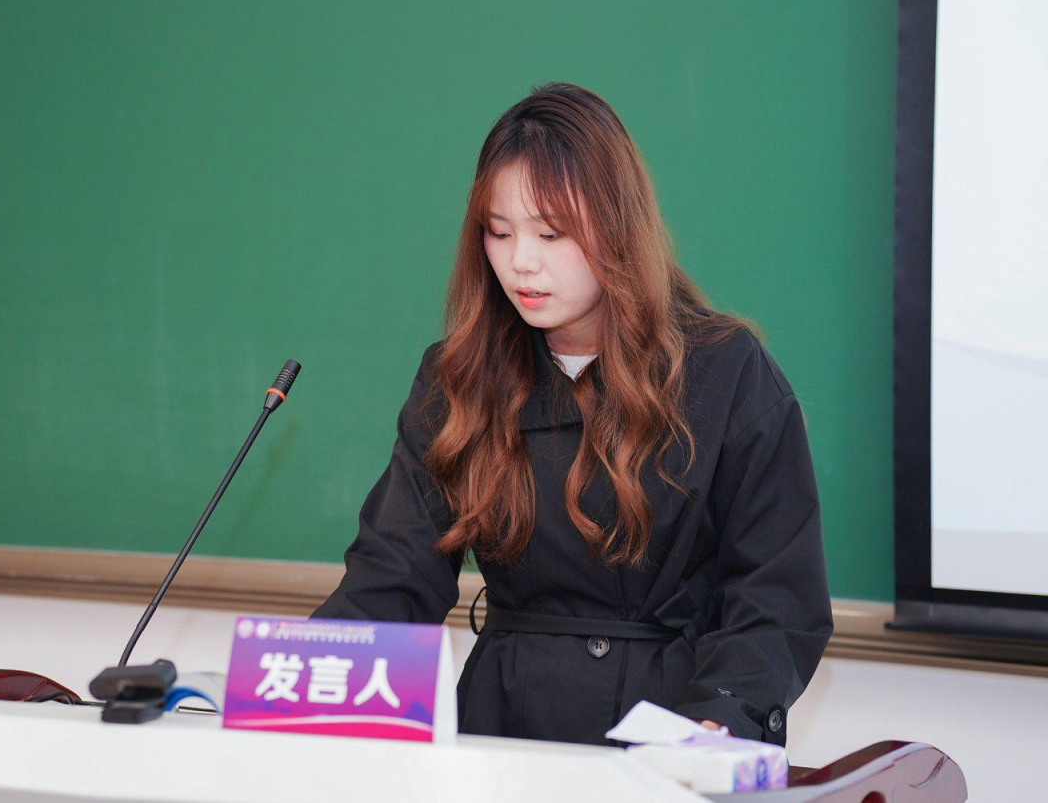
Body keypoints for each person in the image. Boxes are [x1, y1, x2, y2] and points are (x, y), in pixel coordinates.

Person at [310, 81, 833, 748]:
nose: (520, 262)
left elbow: (775, 600)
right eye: (499, 232)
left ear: (617, 226)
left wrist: (720, 723)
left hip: (670, 737)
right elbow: (391, 577)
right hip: (500, 736)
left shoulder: (726, 371)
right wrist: (300, 688)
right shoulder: (458, 377)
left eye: (551, 234)